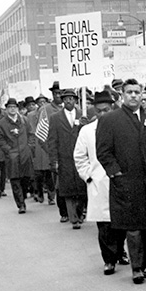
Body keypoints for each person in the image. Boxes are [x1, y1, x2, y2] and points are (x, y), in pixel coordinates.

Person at [95, 78, 146, 285]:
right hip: (126, 182)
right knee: (133, 226)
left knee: (145, 225)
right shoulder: (110, 120)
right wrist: (116, 174)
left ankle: (142, 265)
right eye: (129, 92)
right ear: (122, 95)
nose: (134, 96)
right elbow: (103, 152)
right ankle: (136, 268)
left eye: (137, 92)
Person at [73, 89, 126, 274]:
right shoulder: (87, 131)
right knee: (104, 225)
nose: (103, 114)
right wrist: (88, 175)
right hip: (98, 182)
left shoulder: (121, 127)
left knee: (121, 220)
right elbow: (79, 156)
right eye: (99, 111)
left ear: (113, 108)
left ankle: (120, 252)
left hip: (119, 181)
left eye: (106, 110)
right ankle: (109, 259)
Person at [48, 88, 89, 228]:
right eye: (65, 99)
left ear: (76, 100)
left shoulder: (83, 116)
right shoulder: (55, 118)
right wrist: (54, 161)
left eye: (71, 99)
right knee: (68, 190)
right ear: (62, 101)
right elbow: (51, 140)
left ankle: (80, 212)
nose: (68, 101)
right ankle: (74, 219)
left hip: (81, 157)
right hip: (64, 158)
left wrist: (85, 125)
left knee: (82, 189)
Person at [0, 97, 35, 213]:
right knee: (15, 179)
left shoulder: (24, 120)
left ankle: (23, 196)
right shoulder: (2, 123)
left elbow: (31, 134)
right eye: (9, 107)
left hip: (25, 153)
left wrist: (30, 147)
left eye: (14, 107)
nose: (12, 109)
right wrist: (8, 150)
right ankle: (21, 204)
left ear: (17, 108)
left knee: (26, 179)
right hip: (12, 156)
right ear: (6, 109)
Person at [25, 96, 55, 204]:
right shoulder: (31, 115)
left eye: (44, 101)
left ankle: (51, 196)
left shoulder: (51, 113)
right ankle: (39, 193)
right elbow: (30, 131)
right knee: (38, 173)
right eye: (40, 102)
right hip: (37, 145)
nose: (42, 103)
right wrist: (31, 146)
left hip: (48, 144)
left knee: (49, 172)